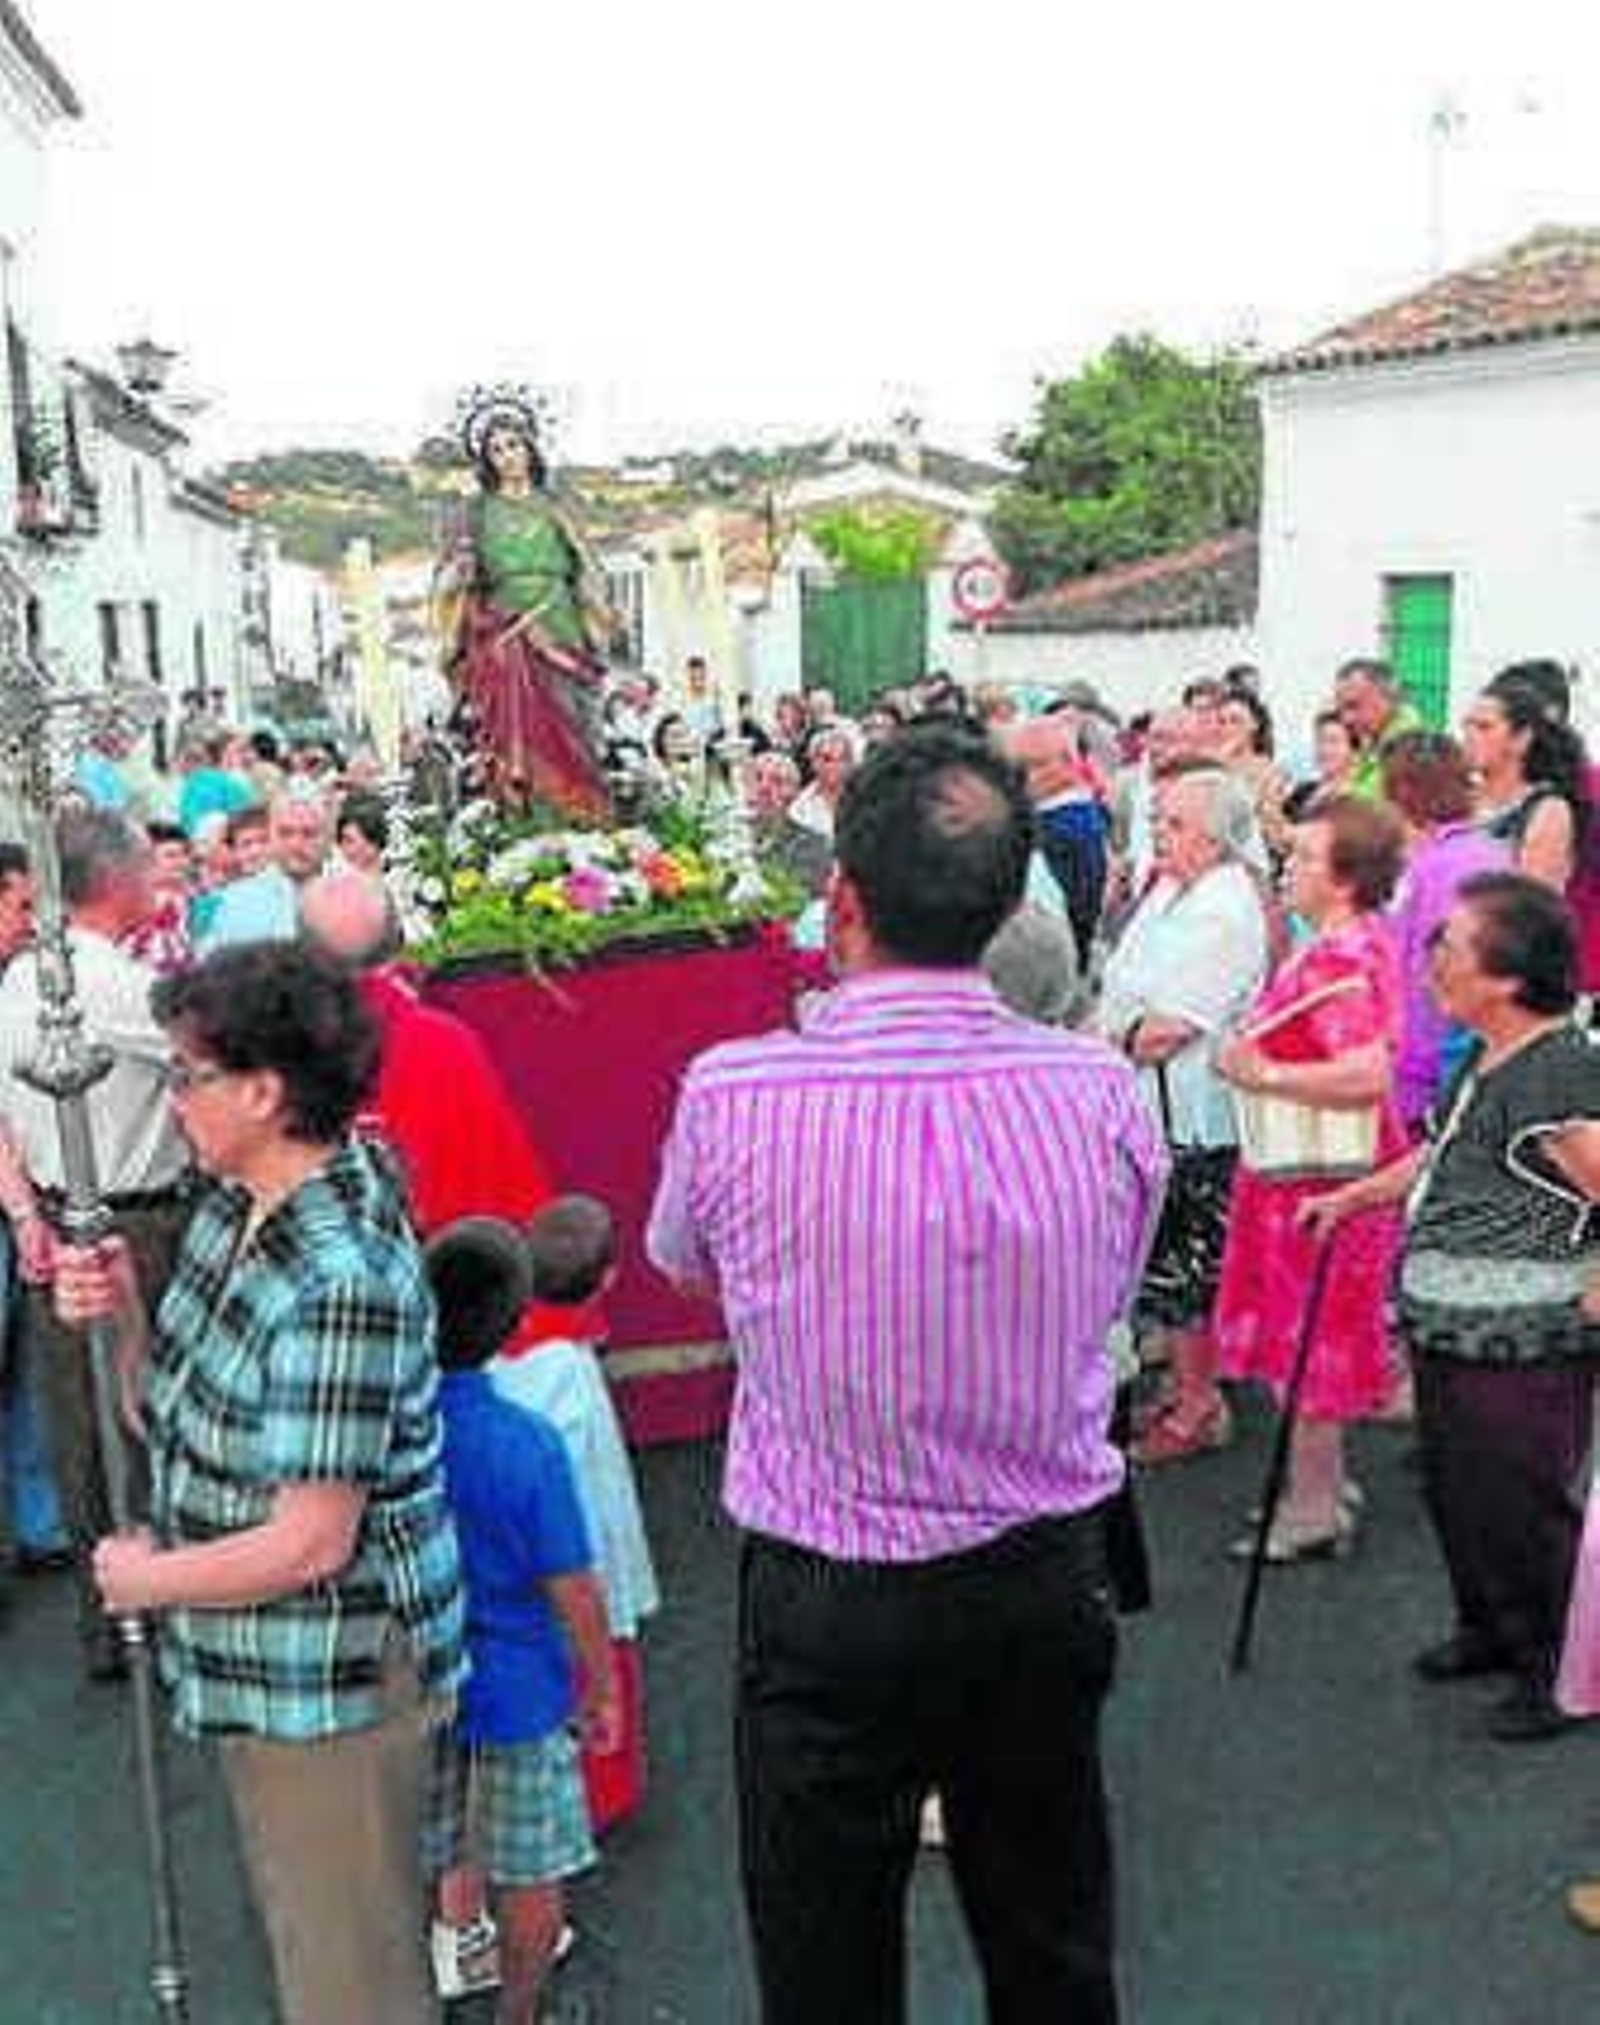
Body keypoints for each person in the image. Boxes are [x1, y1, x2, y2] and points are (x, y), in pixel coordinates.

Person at [648, 721, 1166, 2022]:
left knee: (824, 1962)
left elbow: (687, 1262)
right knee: (1053, 1938)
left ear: (843, 900)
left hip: (828, 1591)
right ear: (1004, 903)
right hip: (1039, 1572)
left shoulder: (735, 1092)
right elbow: (1112, 1282)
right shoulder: (1097, 1089)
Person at [58, 943, 466, 2022]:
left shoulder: (337, 1278)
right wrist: (118, 1316)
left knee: (351, 1989)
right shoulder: (233, 1209)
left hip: (328, 1683)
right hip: (262, 1670)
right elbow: (170, 1407)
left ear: (265, 1092)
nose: (172, 1097)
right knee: (310, 1950)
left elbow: (311, 1543)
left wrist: (149, 1582)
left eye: (188, 1075)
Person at [1307, 875, 1600, 1743]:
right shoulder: (1488, 1052)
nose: (1429, 960)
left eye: (1450, 947)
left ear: (1507, 977)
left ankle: (1555, 1667)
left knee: (1523, 1502)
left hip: (1525, 1340)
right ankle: (1493, 1630)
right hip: (1453, 1328)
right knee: (1460, 1491)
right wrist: (1354, 1197)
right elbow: (1438, 1153)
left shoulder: (1561, 1068)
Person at [0, 811, 191, 1677]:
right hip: (132, 1220)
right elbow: (210, 1050)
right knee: (139, 1416)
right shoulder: (105, 981)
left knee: (80, 1425)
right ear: (115, 880)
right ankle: (157, 1607)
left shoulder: (17, 979)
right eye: (148, 866)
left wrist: (24, 1214)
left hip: (56, 1212)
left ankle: (110, 1616)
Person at [420, 1214, 617, 2021]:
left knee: (449, 1833)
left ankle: (456, 1935)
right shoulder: (527, 1444)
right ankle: (521, 2006)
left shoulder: (396, 1427)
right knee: (534, 1872)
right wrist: (601, 1684)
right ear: (516, 1320)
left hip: (421, 1678)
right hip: (521, 1690)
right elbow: (572, 1585)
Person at [1214, 796, 1408, 1560]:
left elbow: (1366, 1074)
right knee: (1312, 1337)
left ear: (1346, 876)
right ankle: (1320, 1484)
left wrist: (1260, 1069)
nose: (1286, 866)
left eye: (1301, 857)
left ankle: (1314, 1503)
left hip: (1321, 1181)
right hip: (1316, 1174)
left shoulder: (1339, 957)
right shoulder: (1351, 940)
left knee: (1310, 1344)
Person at [1097, 768, 1269, 1463]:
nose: (1157, 835)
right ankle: (1183, 1390)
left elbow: (1175, 1026)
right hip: (1147, 1100)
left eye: (1173, 825)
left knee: (1187, 1264)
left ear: (1216, 837)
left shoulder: (1227, 908)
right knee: (1166, 1264)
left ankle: (1201, 1407)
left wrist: (1098, 1045)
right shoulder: (1172, 888)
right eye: (1157, 820)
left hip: (1193, 1112)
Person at [436, 393, 612, 821]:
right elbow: (452, 580)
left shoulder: (556, 506)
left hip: (560, 624)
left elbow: (586, 567)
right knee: (513, 736)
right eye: (495, 450)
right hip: (505, 632)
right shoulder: (475, 514)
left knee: (574, 726)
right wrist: (458, 577)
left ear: (530, 447)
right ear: (486, 460)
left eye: (513, 445)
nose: (506, 456)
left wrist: (596, 619)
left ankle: (582, 817)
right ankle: (524, 817)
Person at [1382, 732, 1508, 1134]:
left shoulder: (1432, 869)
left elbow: (1426, 975)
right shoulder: (1492, 851)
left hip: (1429, 1071)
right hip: (1475, 1053)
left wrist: (1405, 1064)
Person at [1463, 673, 1590, 890]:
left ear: (1521, 739)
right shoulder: (1462, 797)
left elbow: (1532, 908)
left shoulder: (1547, 810)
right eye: (1467, 725)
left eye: (1484, 727)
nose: (1468, 736)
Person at [199, 786, 329, 951]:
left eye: (309, 833)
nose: (296, 844)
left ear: (327, 837)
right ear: (272, 836)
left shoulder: (353, 894)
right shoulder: (236, 901)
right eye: (286, 833)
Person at [1335, 657, 1425, 798]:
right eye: (1341, 708)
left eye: (1353, 706)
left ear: (1386, 698)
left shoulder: (1410, 746)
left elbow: (1366, 805)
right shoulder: (1373, 741)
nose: (1346, 719)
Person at [1284, 707, 1360, 821]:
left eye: (1334, 741)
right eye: (1320, 740)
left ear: (1354, 751)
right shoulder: (1303, 791)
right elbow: (1276, 833)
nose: (1324, 749)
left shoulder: (1360, 797)